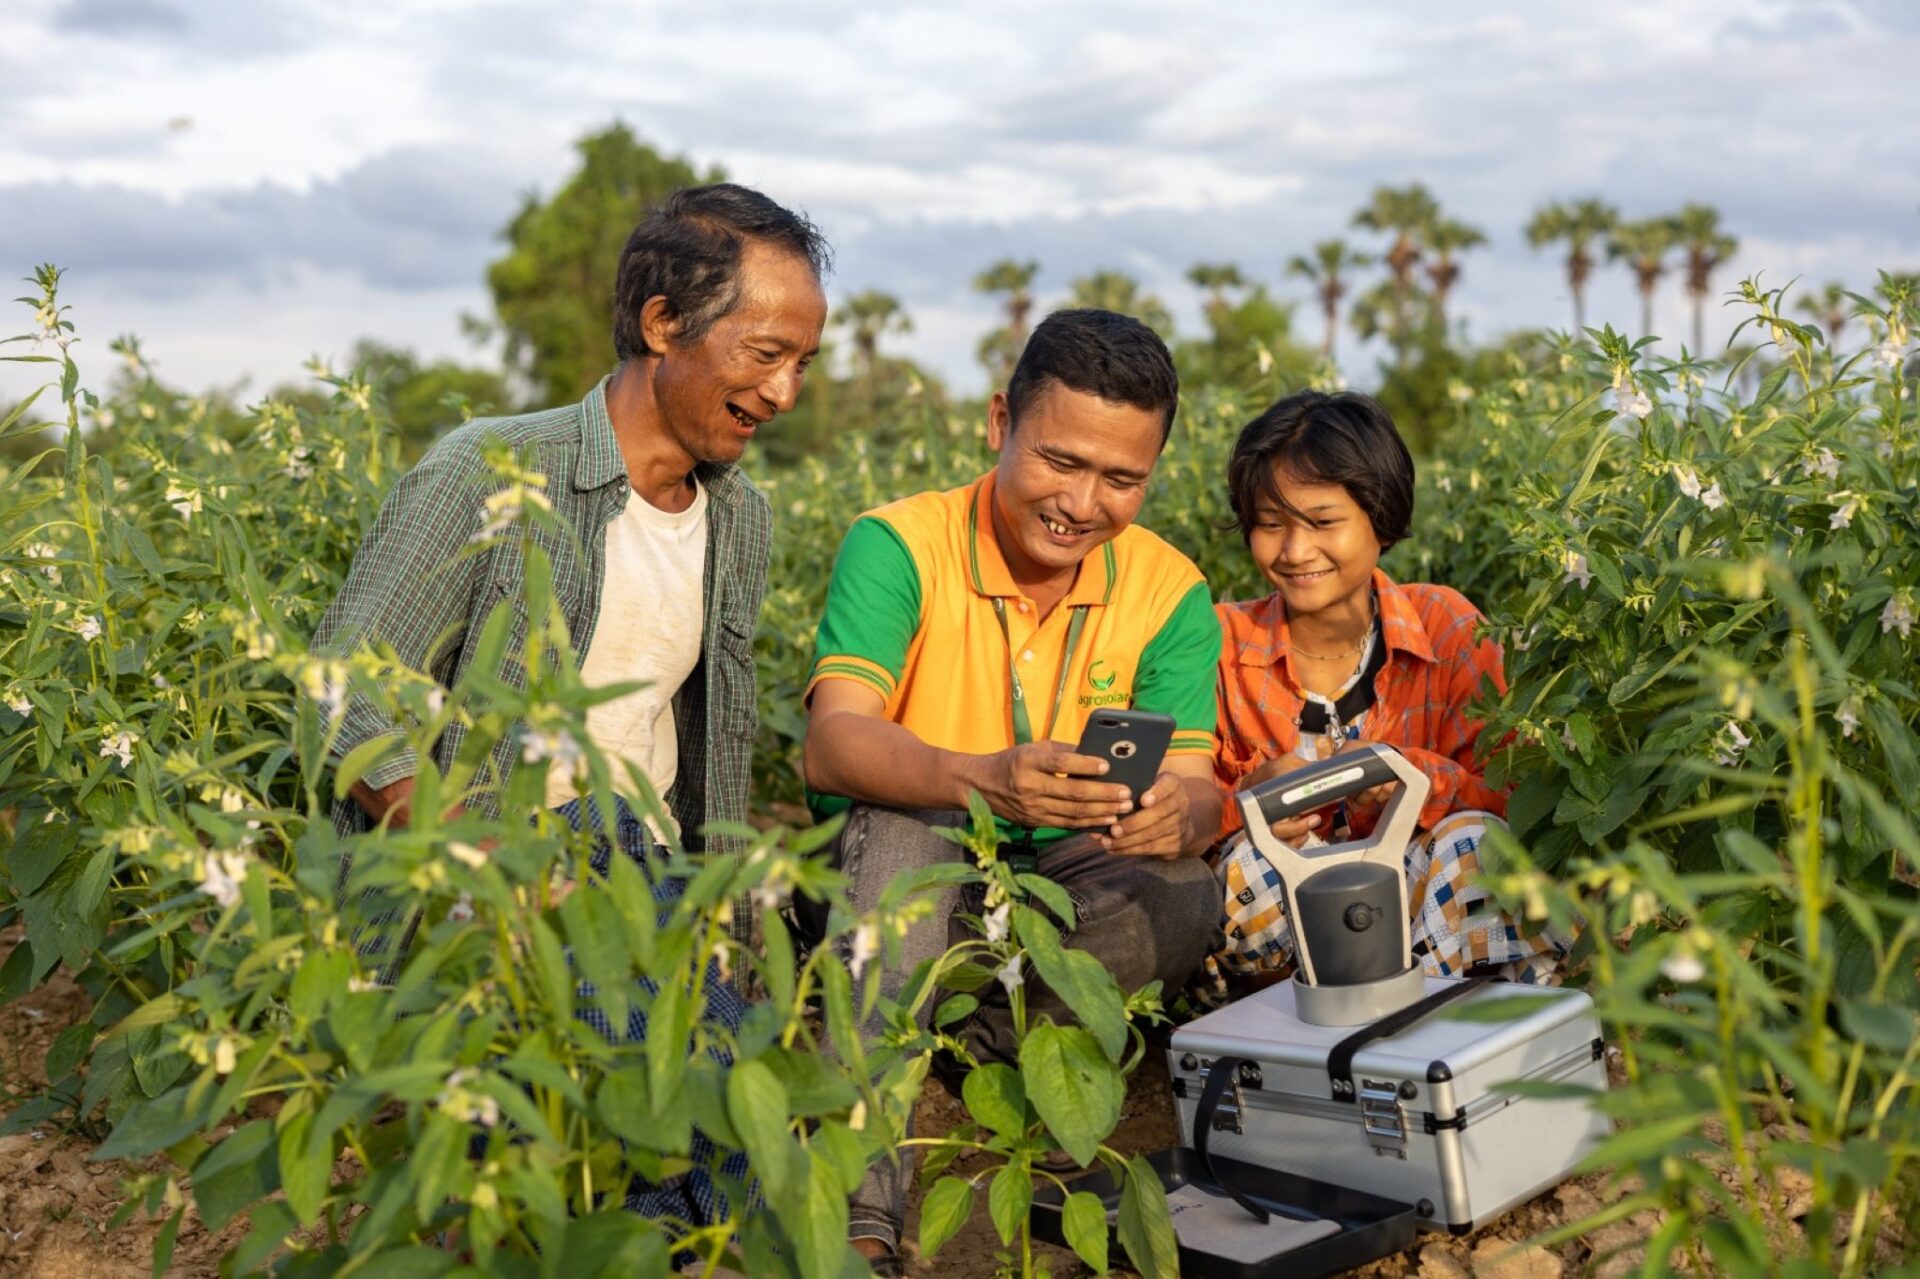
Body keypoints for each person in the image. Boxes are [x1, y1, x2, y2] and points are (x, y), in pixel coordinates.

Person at [312, 182, 830, 1227]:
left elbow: (698, 759)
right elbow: (342, 693)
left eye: (803, 363)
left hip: (641, 881)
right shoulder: (492, 470)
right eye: (764, 353)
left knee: (761, 1123)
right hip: (499, 860)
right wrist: (494, 868)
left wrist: (712, 920)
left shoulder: (743, 520)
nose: (785, 392)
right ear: (661, 323)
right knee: (662, 1119)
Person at [801, 309, 1225, 1268]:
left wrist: (1174, 814)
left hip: (1063, 884)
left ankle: (973, 1034)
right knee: (907, 849)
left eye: (1123, 479)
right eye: (1059, 462)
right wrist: (980, 779)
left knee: (1184, 889)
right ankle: (860, 1203)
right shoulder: (900, 544)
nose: (1083, 502)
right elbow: (831, 747)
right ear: (999, 423)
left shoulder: (1168, 589)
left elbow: (1197, 787)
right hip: (906, 846)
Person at [1211, 390, 1563, 985]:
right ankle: (1325, 1030)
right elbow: (1182, 820)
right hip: (1290, 940)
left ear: (1381, 518)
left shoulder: (1446, 627)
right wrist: (1246, 801)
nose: (1296, 552)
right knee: (1244, 867)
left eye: (1324, 522)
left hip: (1433, 915)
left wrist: (1409, 777)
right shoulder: (1223, 643)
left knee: (1476, 846)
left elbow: (1519, 804)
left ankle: (1404, 1032)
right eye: (1271, 525)